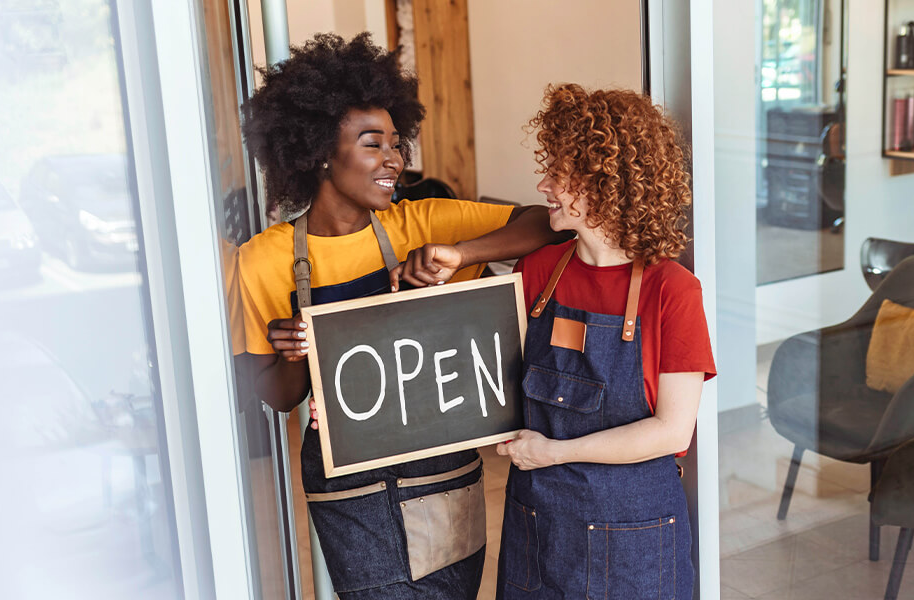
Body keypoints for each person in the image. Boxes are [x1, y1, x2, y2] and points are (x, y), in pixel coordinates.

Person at [238, 33, 566, 599]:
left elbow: (544, 223)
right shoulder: (263, 261)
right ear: (319, 150)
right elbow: (276, 396)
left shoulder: (420, 224)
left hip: (445, 473)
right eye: (373, 144)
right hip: (352, 492)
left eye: (396, 143)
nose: (394, 159)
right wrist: (294, 352)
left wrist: (459, 256)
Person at [495, 85, 716, 600]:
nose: (544, 184)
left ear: (604, 181)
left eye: (560, 173)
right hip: (538, 525)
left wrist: (554, 452)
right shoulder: (538, 272)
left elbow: (670, 432)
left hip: (634, 537)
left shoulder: (672, 291)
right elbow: (489, 383)